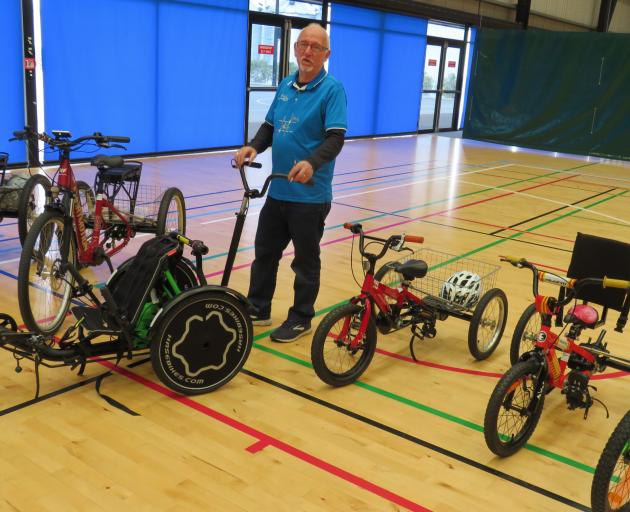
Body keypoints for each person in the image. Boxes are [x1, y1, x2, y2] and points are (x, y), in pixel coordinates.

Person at [234, 23, 347, 343]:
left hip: (310, 196)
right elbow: (269, 127)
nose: (307, 51)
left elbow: (336, 139)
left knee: (305, 261)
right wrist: (253, 145)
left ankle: (301, 317)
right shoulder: (285, 85)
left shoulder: (332, 90)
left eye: (315, 47)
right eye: (303, 45)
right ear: (296, 48)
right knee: (264, 252)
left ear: (326, 54)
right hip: (278, 189)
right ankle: (258, 307)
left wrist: (312, 163)